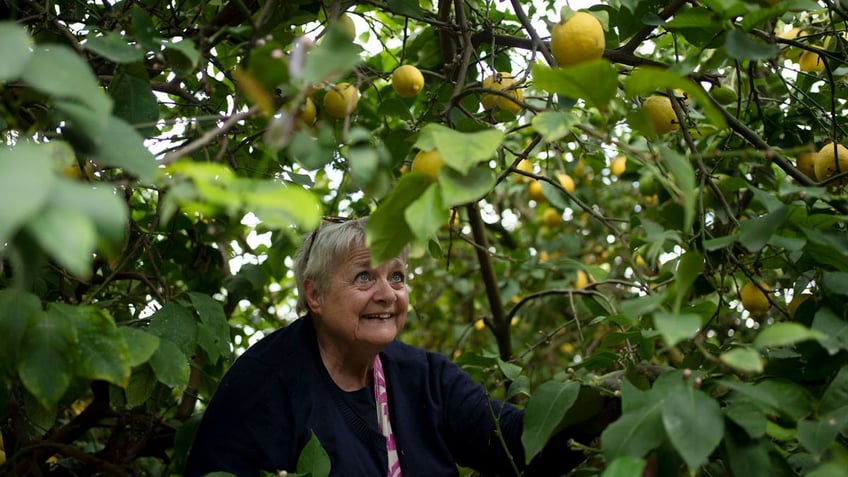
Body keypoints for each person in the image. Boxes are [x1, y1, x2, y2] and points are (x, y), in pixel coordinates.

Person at [183, 217, 601, 477]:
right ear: (315, 294)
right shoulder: (264, 382)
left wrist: (603, 402)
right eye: (365, 277)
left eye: (397, 277)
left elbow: (518, 444)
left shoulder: (426, 377)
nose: (387, 294)